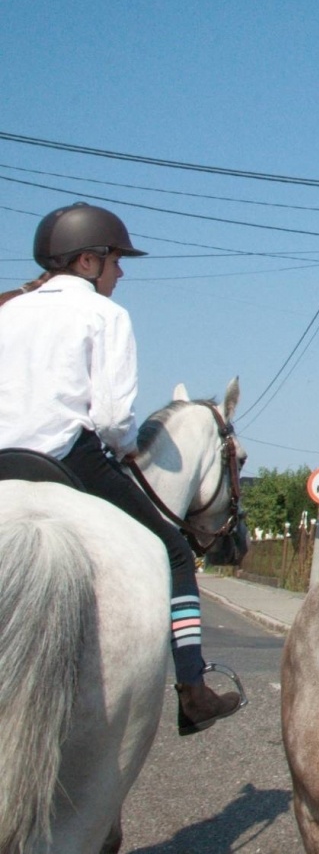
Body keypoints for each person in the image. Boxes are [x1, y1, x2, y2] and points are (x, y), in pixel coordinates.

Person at [0, 202, 242, 735]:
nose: (122, 272)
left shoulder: (9, 309)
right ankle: (193, 688)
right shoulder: (104, 315)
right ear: (87, 262)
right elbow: (110, 417)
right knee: (174, 552)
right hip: (65, 457)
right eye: (116, 261)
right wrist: (128, 447)